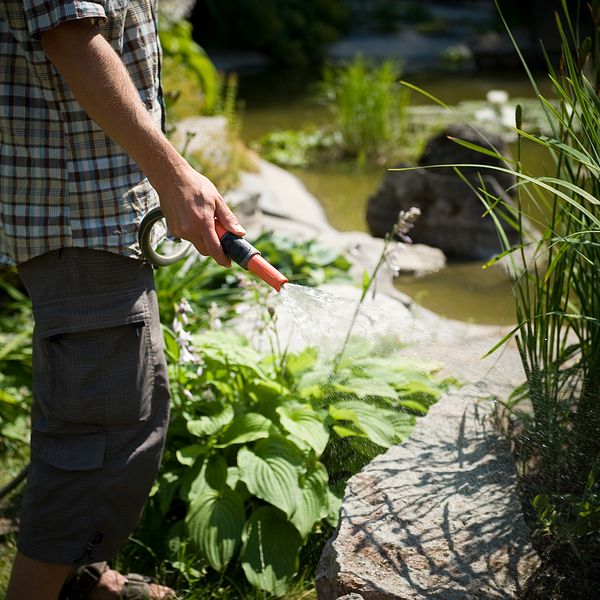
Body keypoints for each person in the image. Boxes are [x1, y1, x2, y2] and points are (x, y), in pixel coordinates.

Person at [0, 1, 245, 598]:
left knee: (107, 418)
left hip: (94, 212)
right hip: (77, 214)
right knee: (99, 434)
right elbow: (69, 38)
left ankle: (81, 581)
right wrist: (175, 174)